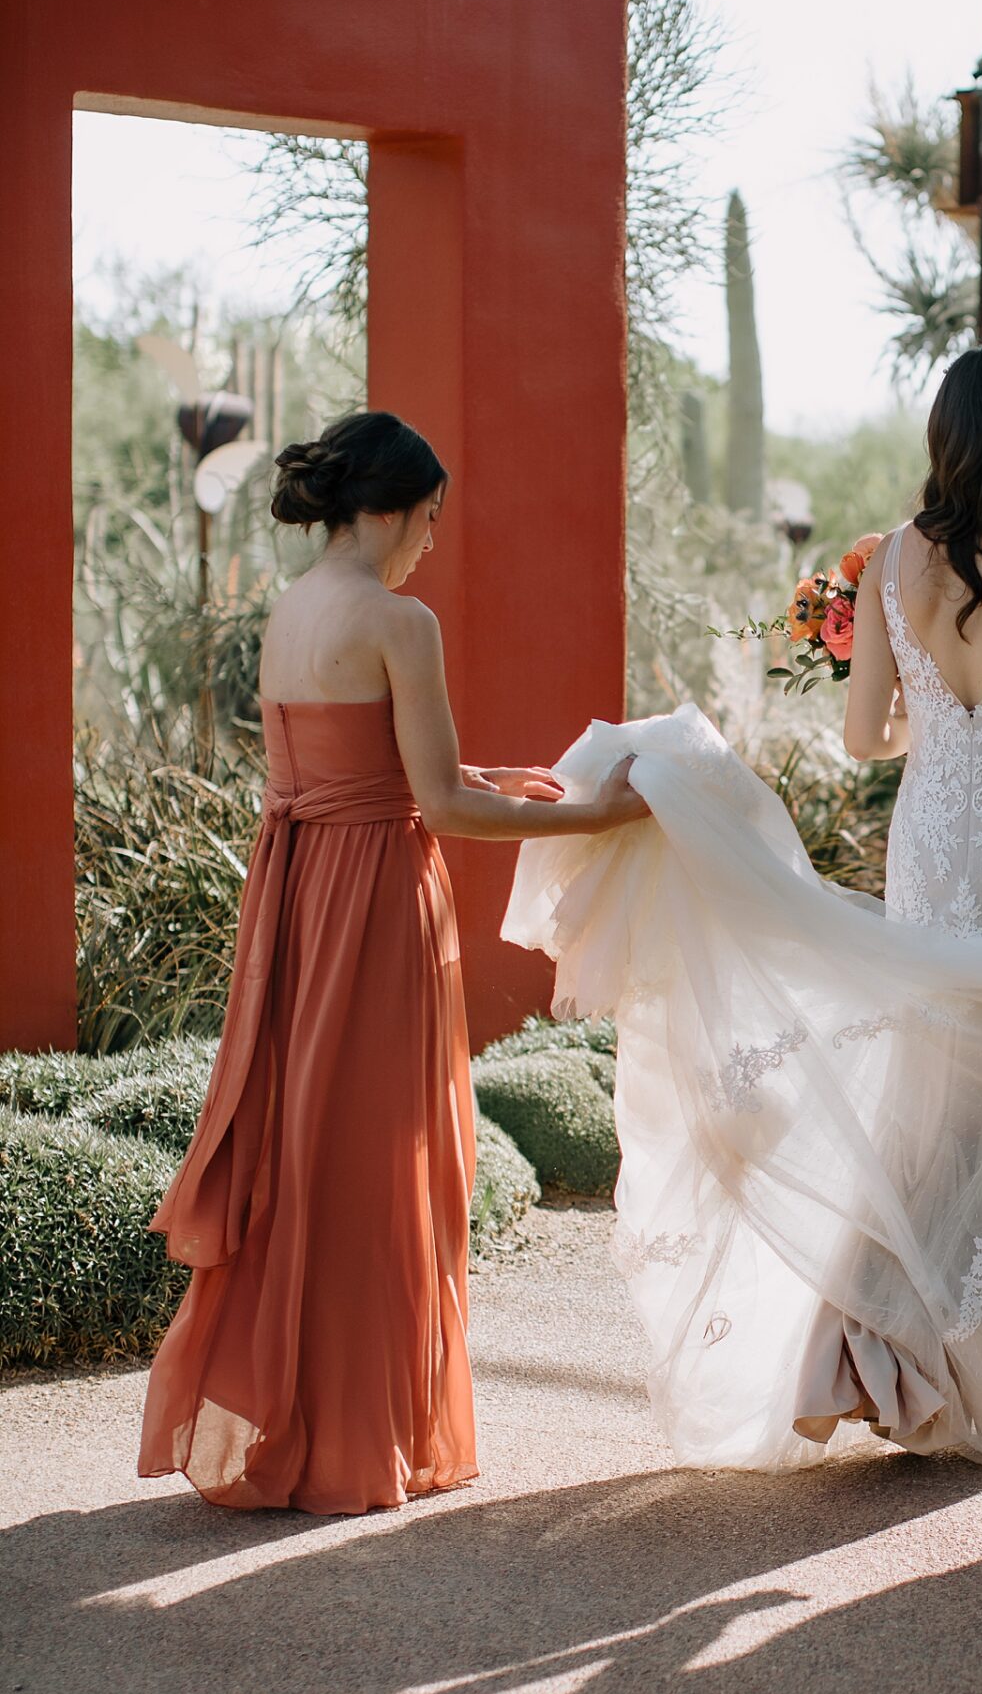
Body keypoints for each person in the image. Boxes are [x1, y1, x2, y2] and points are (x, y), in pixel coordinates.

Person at [504, 343, 982, 1466]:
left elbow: (863, 738)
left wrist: (934, 731)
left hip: (936, 845)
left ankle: (875, 1344)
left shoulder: (894, 560)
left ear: (947, 440)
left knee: (929, 1100)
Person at [139, 411, 649, 1515]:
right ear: (387, 510)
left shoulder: (293, 610)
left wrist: (516, 778)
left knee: (310, 1141)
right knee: (385, 1155)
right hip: (374, 903)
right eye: (428, 519)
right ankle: (359, 1434)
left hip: (299, 893)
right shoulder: (398, 620)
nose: (431, 541)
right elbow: (437, 803)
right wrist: (594, 814)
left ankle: (298, 1418)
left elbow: (375, 765)